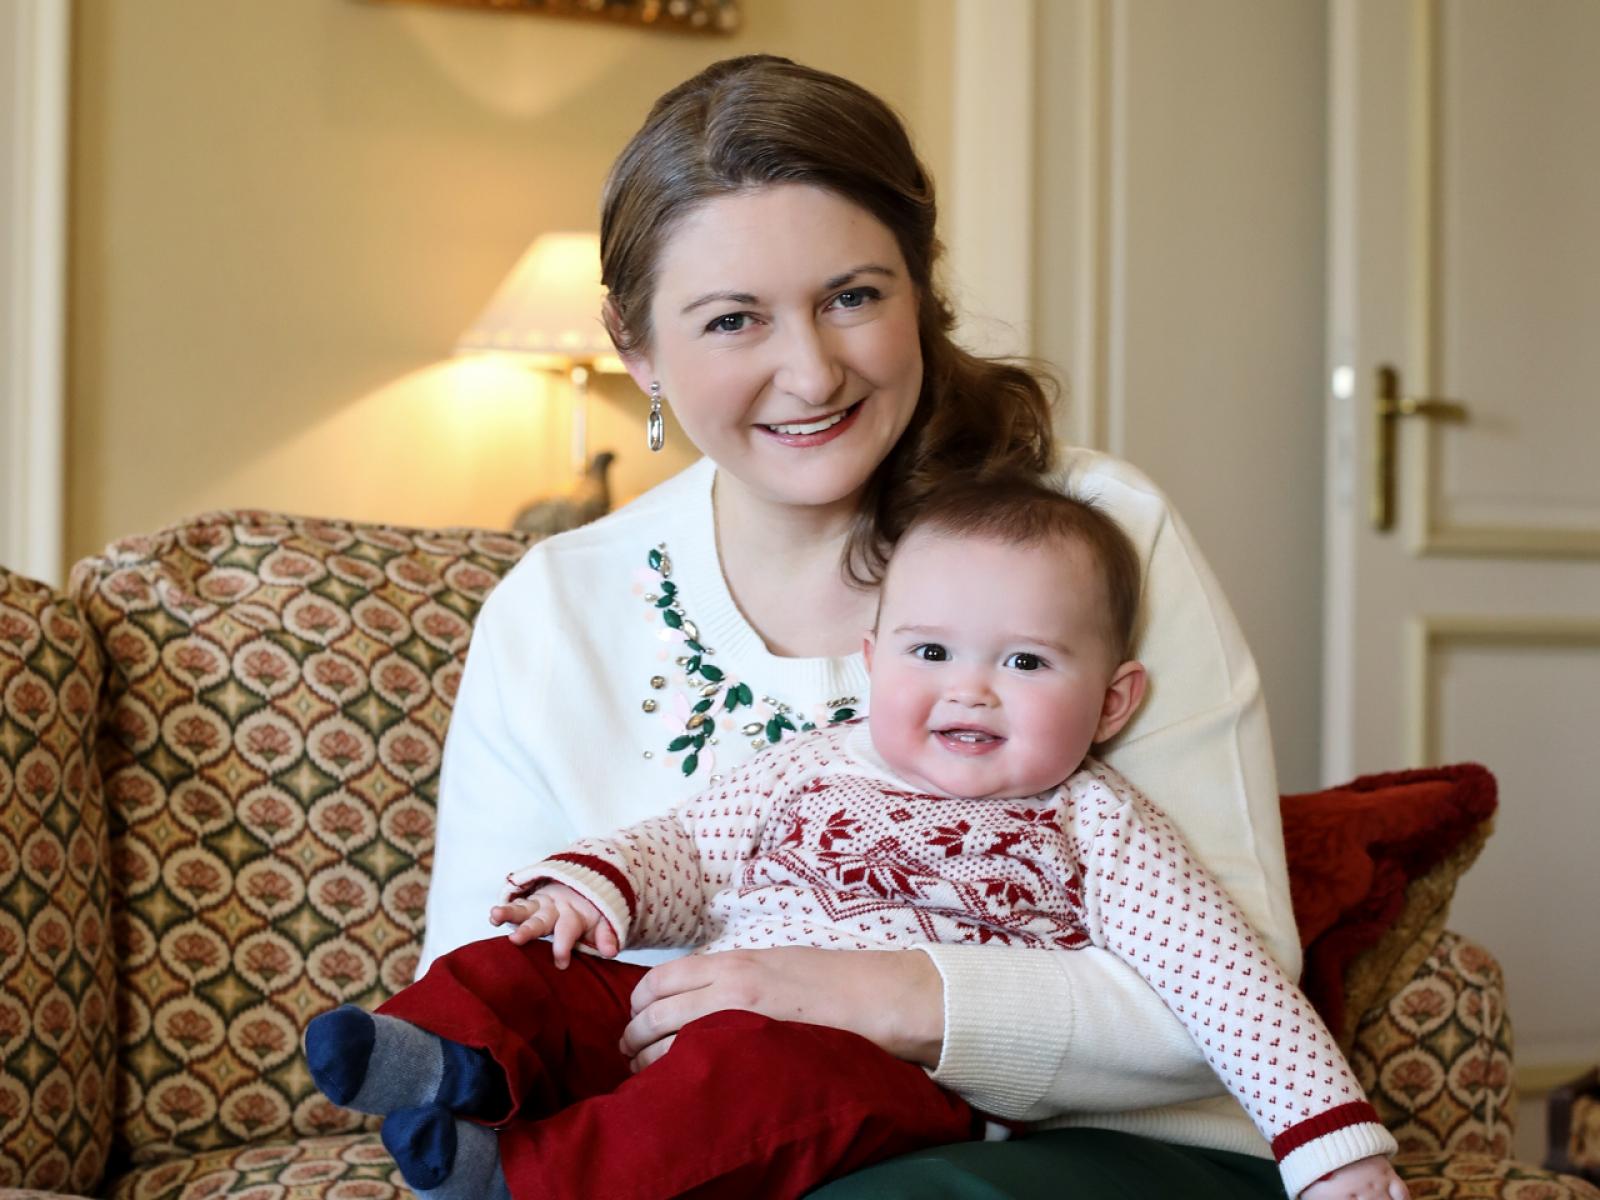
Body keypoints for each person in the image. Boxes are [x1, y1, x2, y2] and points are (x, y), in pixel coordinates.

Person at [410, 53, 1312, 1200]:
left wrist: (877, 994)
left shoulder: (1096, 534)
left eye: (853, 297)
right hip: (683, 1159)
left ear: (919, 291)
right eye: (733, 320)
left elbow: (1238, 985)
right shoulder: (555, 608)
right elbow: (487, 989)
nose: (810, 371)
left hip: (1089, 1155)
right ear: (634, 346)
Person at [306, 478, 1406, 1200]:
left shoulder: (1097, 825)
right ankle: (442, 1055)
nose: (969, 690)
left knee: (747, 1078)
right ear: (873, 658)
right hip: (685, 994)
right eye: (930, 652)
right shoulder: (818, 761)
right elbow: (687, 850)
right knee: (540, 967)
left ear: (1113, 702)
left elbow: (1231, 987)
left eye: (1025, 663)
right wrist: (590, 889)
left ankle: (524, 1180)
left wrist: (1335, 1152)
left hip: (884, 1079)